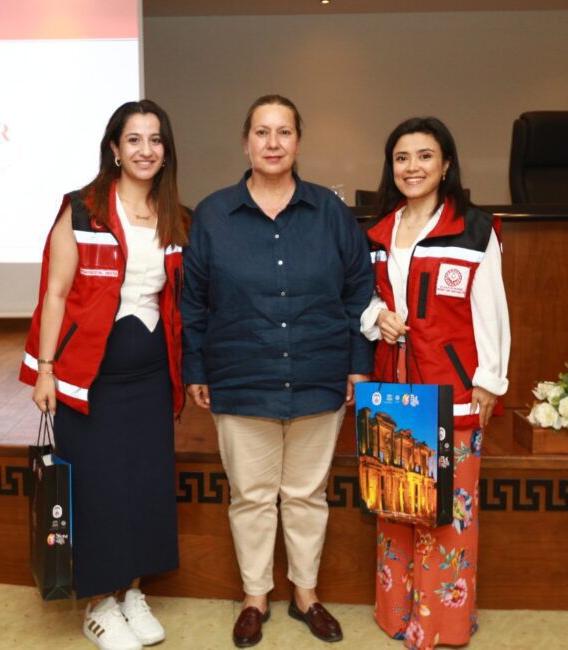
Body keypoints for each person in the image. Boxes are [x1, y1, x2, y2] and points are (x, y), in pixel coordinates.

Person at [181, 94, 374, 648]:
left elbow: (358, 291)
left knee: (308, 495)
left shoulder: (330, 213)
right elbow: (193, 302)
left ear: (298, 142)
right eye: (262, 132)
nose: (272, 143)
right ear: (246, 143)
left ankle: (306, 594)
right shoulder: (213, 214)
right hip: (240, 378)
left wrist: (359, 366)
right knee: (251, 496)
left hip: (318, 375)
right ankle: (255, 597)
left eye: (283, 132)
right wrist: (196, 367)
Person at [19, 100, 188, 650]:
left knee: (145, 485)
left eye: (155, 140)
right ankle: (98, 603)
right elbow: (56, 293)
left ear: (166, 150)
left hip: (152, 378)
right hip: (88, 379)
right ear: (114, 148)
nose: (145, 150)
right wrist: (45, 369)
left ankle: (131, 590)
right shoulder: (81, 209)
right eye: (133, 139)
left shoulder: (176, 216)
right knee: (97, 487)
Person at [360, 117, 510, 650]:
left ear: (446, 165)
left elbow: (492, 308)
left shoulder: (474, 229)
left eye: (425, 156)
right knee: (396, 502)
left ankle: (442, 624)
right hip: (393, 388)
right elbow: (361, 297)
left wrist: (489, 380)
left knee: (449, 511)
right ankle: (397, 615)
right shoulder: (376, 233)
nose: (413, 167)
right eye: (402, 158)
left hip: (454, 389)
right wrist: (376, 317)